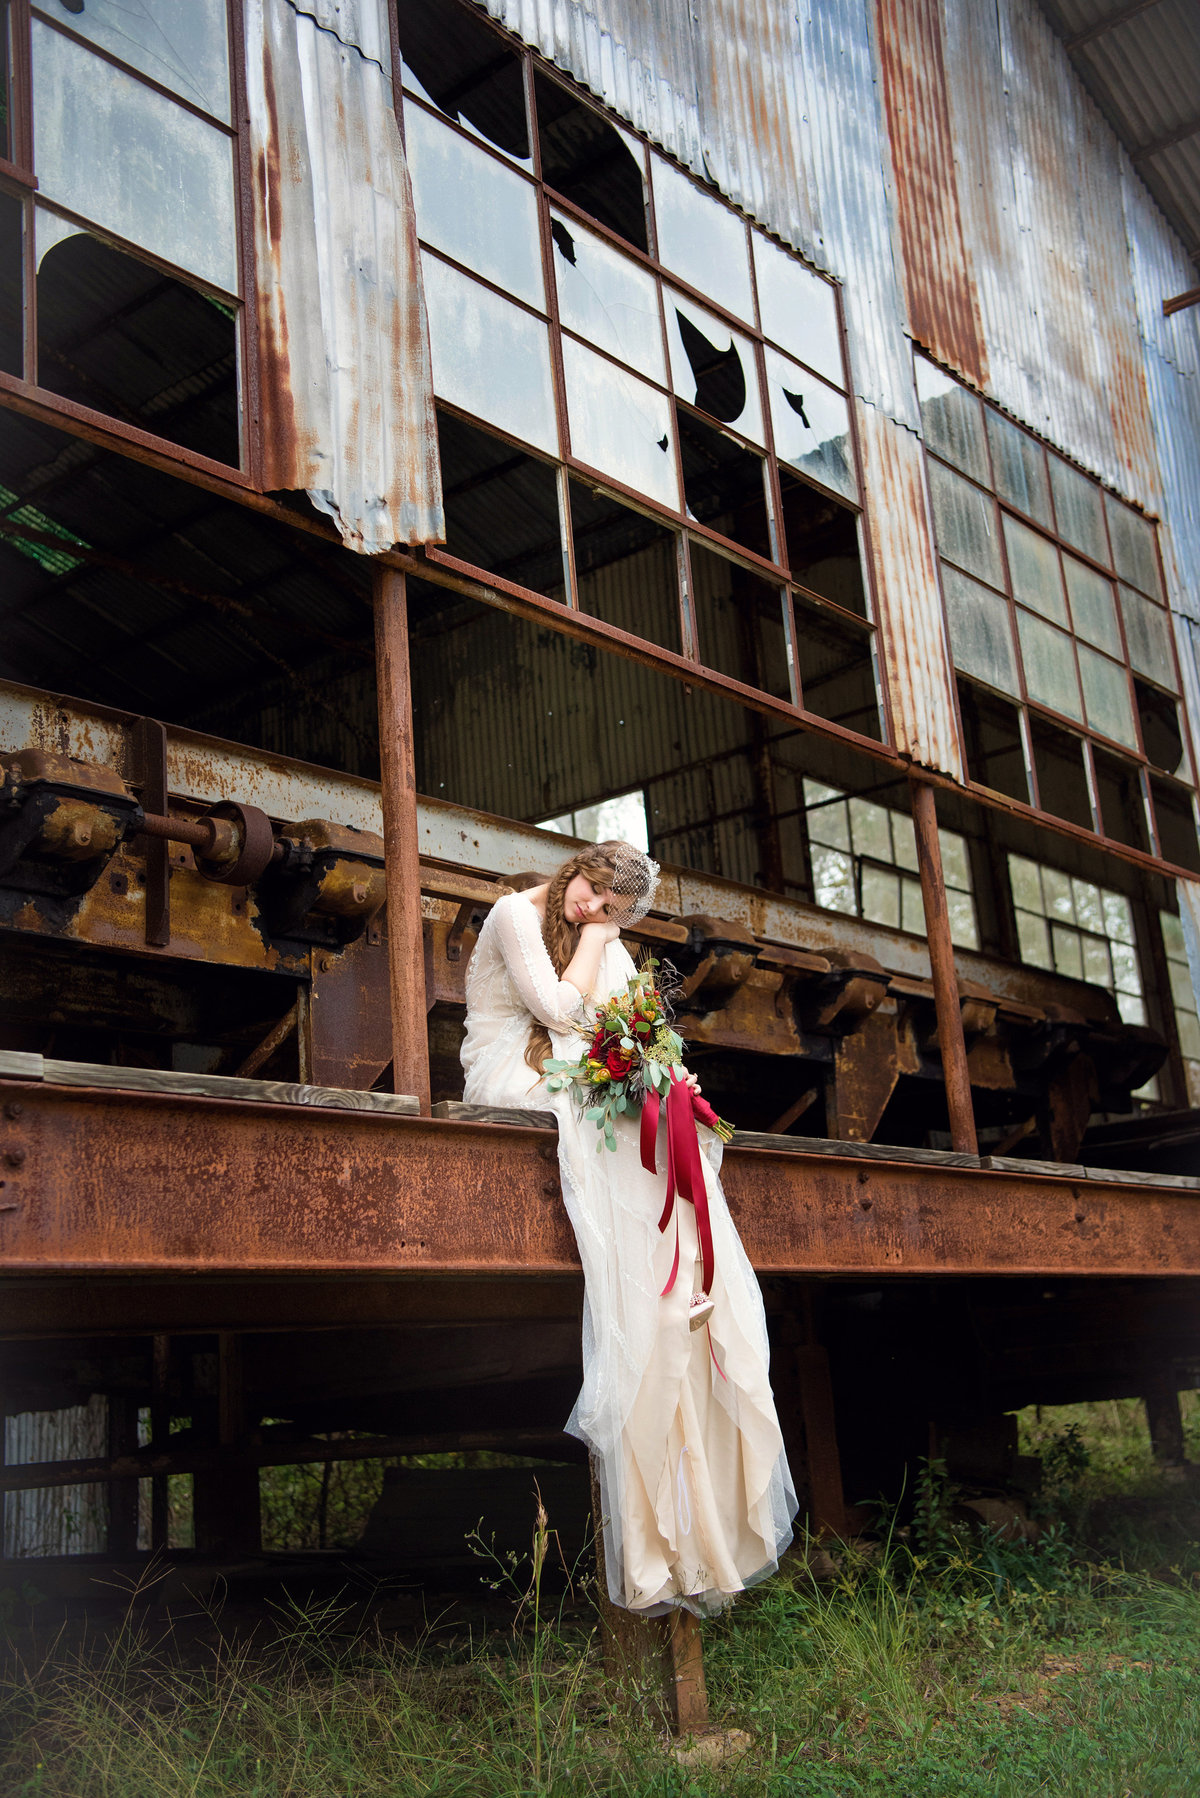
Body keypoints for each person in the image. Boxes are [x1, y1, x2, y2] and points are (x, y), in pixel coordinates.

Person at [461, 839, 797, 1616]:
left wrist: (666, 1072)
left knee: (670, 1117)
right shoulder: (518, 911)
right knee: (603, 1118)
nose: (591, 908)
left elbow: (625, 1031)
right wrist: (600, 938)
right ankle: (650, 1303)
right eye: (591, 892)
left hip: (569, 1069)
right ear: (576, 868)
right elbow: (560, 1012)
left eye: (611, 910)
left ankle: (680, 1293)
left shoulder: (596, 932)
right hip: (512, 1070)